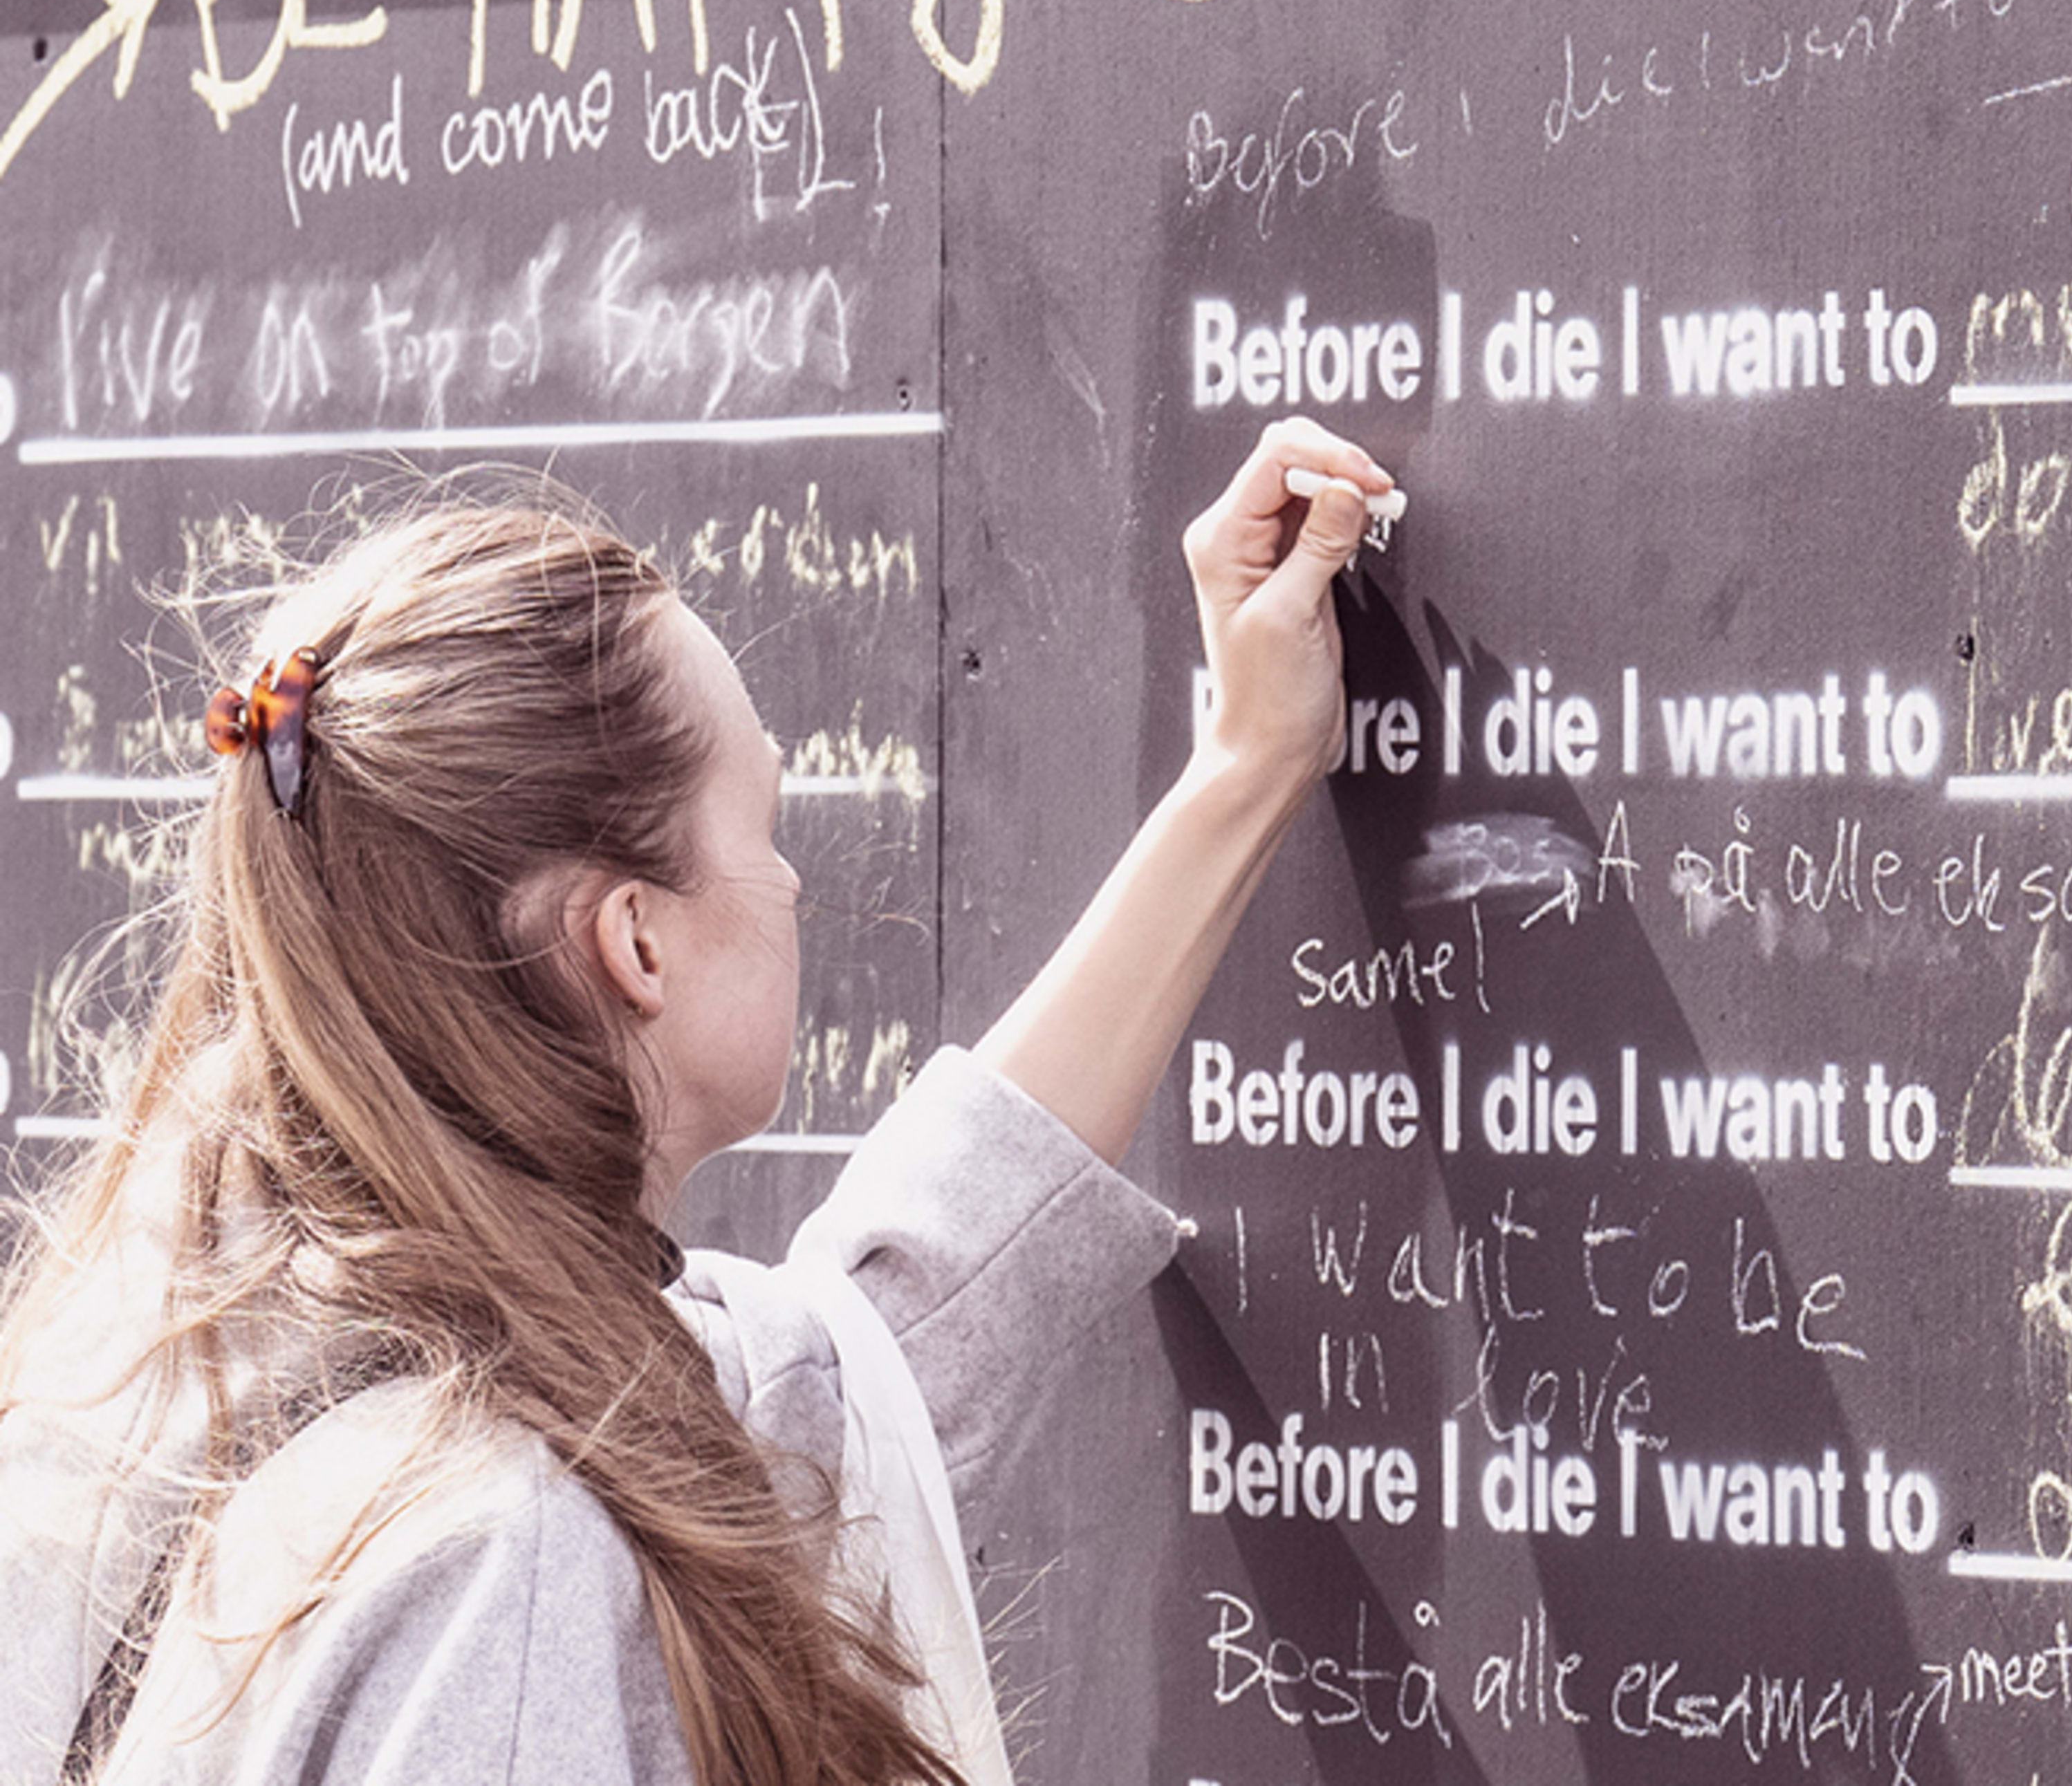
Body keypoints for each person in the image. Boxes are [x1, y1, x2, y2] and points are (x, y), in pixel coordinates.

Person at [0, 416, 1396, 1785]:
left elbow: (884, 1346)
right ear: (636, 943)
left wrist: (1247, 764)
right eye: (763, 825)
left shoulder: (141, 1405)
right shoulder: (508, 1556)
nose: (792, 882)